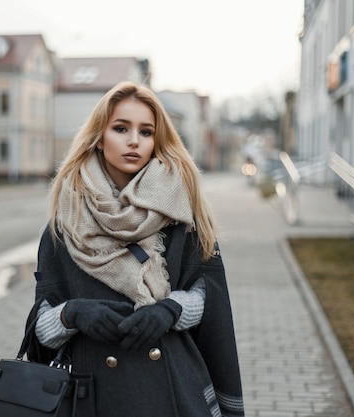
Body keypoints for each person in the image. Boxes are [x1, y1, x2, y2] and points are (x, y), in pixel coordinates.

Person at [27, 81, 245, 417]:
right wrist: (73, 314)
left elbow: (209, 298)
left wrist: (170, 310)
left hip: (172, 389)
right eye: (120, 128)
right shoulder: (63, 225)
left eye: (146, 132)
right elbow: (41, 328)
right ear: (99, 137)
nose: (134, 140)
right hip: (91, 396)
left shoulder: (183, 213)